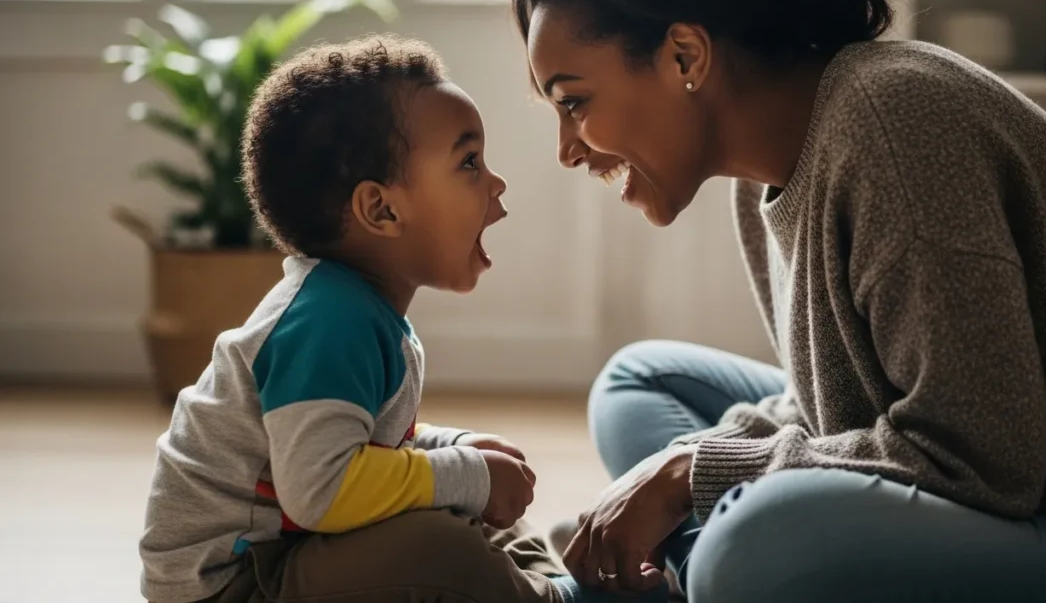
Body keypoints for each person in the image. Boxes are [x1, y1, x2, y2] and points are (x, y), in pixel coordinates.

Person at [513, 0, 1046, 601]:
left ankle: (699, 568)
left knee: (749, 544)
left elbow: (983, 456)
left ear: (685, 56)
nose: (567, 150)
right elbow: (832, 409)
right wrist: (683, 471)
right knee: (638, 383)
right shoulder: (764, 180)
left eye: (573, 102)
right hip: (988, 489)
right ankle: (692, 570)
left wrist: (690, 473)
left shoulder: (893, 123)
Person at [138, 36, 662, 603]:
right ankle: (558, 593)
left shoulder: (355, 308)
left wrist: (451, 447)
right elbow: (322, 487)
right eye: (469, 163)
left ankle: (547, 573)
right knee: (439, 541)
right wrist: (466, 473)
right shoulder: (327, 322)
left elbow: (366, 442)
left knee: (470, 507)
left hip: (288, 549)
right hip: (236, 584)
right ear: (382, 209)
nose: (496, 183)